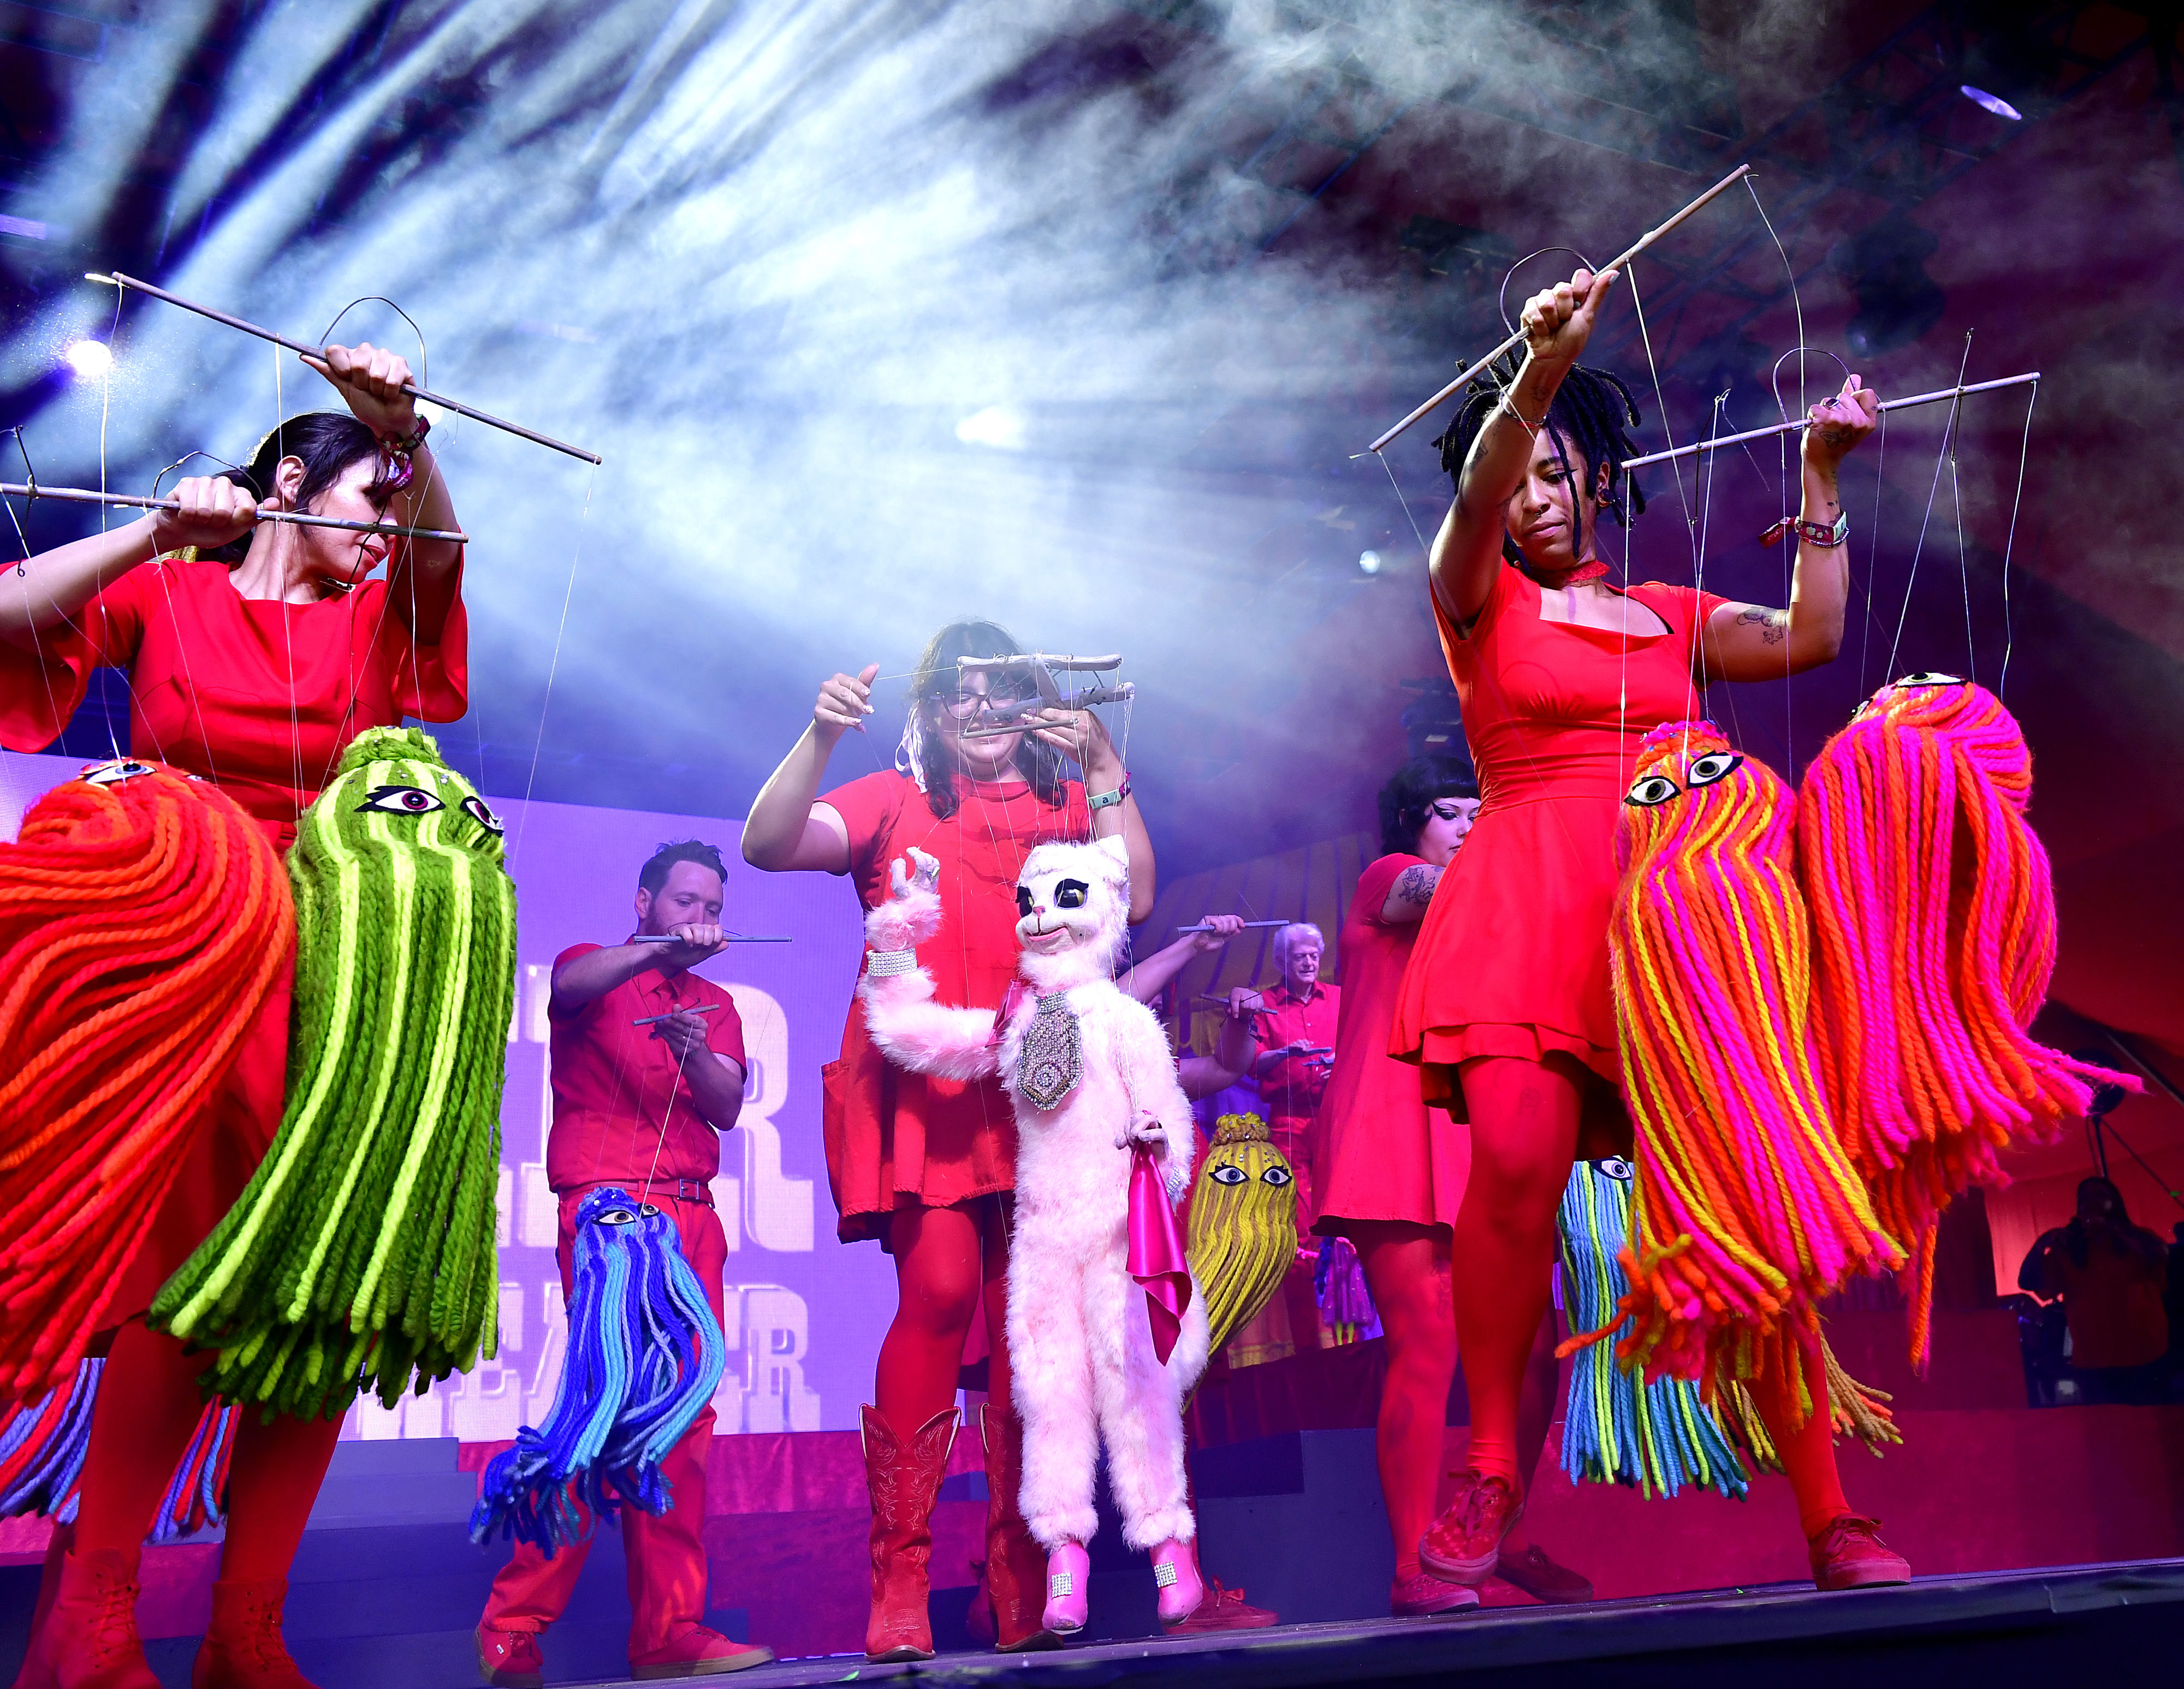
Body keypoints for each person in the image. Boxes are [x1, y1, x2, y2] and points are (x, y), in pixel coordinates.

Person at [1387, 263, 1907, 1592]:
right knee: (1511, 1169)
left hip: (1674, 932)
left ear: (1597, 481)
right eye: (1513, 482)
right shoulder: (1474, 601)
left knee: (1747, 1199)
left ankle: (1827, 1513)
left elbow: (1808, 634)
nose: (1532, 500)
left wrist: (1821, 477)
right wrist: (1539, 366)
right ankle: (1492, 1466)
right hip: (1519, 913)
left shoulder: (1670, 620)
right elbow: (1469, 497)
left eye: (1554, 475)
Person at [0, 348, 472, 1688]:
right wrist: (160, 524)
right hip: (187, 944)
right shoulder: (169, 595)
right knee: (183, 1278)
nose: (385, 536)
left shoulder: (381, 621)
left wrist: (410, 439)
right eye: (368, 504)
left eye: (395, 511)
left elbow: (439, 565)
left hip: (337, 964)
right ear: (285, 485)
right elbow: (10, 614)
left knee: (323, 1282)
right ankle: (94, 1610)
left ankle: (246, 1626)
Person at [740, 620, 1149, 1660]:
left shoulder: (1063, 803)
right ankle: (901, 1574)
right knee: (937, 1296)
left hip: (1041, 1090)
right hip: (931, 1085)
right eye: (957, 691)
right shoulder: (891, 794)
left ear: (1029, 699)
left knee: (1034, 1333)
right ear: (930, 707)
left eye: (998, 687)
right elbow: (769, 842)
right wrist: (820, 736)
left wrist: (1107, 767)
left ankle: (1016, 1566)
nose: (979, 707)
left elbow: (1136, 895)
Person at [476, 841, 773, 1684]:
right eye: (686, 901)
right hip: (612, 1213)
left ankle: (668, 1628)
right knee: (602, 1407)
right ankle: (515, 1621)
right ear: (644, 903)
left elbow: (723, 1107)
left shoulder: (715, 1003)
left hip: (692, 1217)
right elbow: (567, 989)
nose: (701, 919)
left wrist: (690, 1048)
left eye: (712, 907)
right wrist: (659, 951)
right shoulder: (592, 967)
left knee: (678, 1423)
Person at [1313, 758, 1589, 1614]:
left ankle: (1482, 1542)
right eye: (1450, 811)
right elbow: (1463, 887)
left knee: (1532, 1351)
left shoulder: (1501, 899)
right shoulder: (1388, 879)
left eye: (1482, 809)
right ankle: (1410, 1564)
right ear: (1411, 824)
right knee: (1428, 1342)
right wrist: (1542, 824)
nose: (1470, 823)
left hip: (1486, 1125)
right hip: (1392, 1126)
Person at [1243, 924, 1340, 1352]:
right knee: (1299, 1217)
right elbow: (1252, 1065)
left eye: (1313, 954)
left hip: (1336, 1117)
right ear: (1282, 961)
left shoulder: (1337, 998)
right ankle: (1307, 1330)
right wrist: (1286, 1054)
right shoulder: (1264, 1004)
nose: (1308, 962)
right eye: (1299, 955)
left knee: (1341, 1207)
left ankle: (1348, 1320)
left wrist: (1341, 1063)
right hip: (1287, 1120)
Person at [2016, 1178, 2171, 1406]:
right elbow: (2028, 1282)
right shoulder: (2070, 1248)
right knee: (2108, 1434)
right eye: (2085, 1198)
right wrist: (2042, 1243)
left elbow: (2162, 1256)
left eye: (2099, 1195)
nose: (2092, 1202)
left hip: (2146, 1356)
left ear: (2114, 1202)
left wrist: (2113, 1233)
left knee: (2155, 1433)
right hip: (2095, 1362)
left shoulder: (2138, 1239)